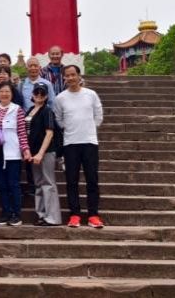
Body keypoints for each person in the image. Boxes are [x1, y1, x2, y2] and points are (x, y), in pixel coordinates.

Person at [54, 65, 104, 228]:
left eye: (73, 75)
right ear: (64, 78)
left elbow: (98, 115)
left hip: (89, 142)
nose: (70, 78)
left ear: (79, 76)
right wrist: (70, 128)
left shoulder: (91, 94)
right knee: (71, 180)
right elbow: (59, 119)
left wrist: (89, 128)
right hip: (70, 143)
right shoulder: (60, 98)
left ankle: (93, 215)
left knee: (92, 180)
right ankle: (74, 215)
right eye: (67, 75)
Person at [0, 81, 31, 227]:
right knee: (1, 184)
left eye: (7, 91)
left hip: (12, 152)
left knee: (13, 184)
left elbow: (21, 131)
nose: (4, 94)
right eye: (1, 91)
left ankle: (16, 214)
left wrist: (25, 149)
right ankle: (5, 212)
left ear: (12, 94)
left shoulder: (17, 109)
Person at [26, 82, 61, 226]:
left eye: (42, 93)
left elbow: (49, 133)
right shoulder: (29, 110)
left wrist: (41, 153)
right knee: (39, 183)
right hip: (33, 152)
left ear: (46, 96)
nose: (39, 95)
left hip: (46, 152)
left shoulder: (47, 111)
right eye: (36, 92)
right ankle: (41, 214)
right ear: (32, 94)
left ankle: (52, 217)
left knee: (48, 183)